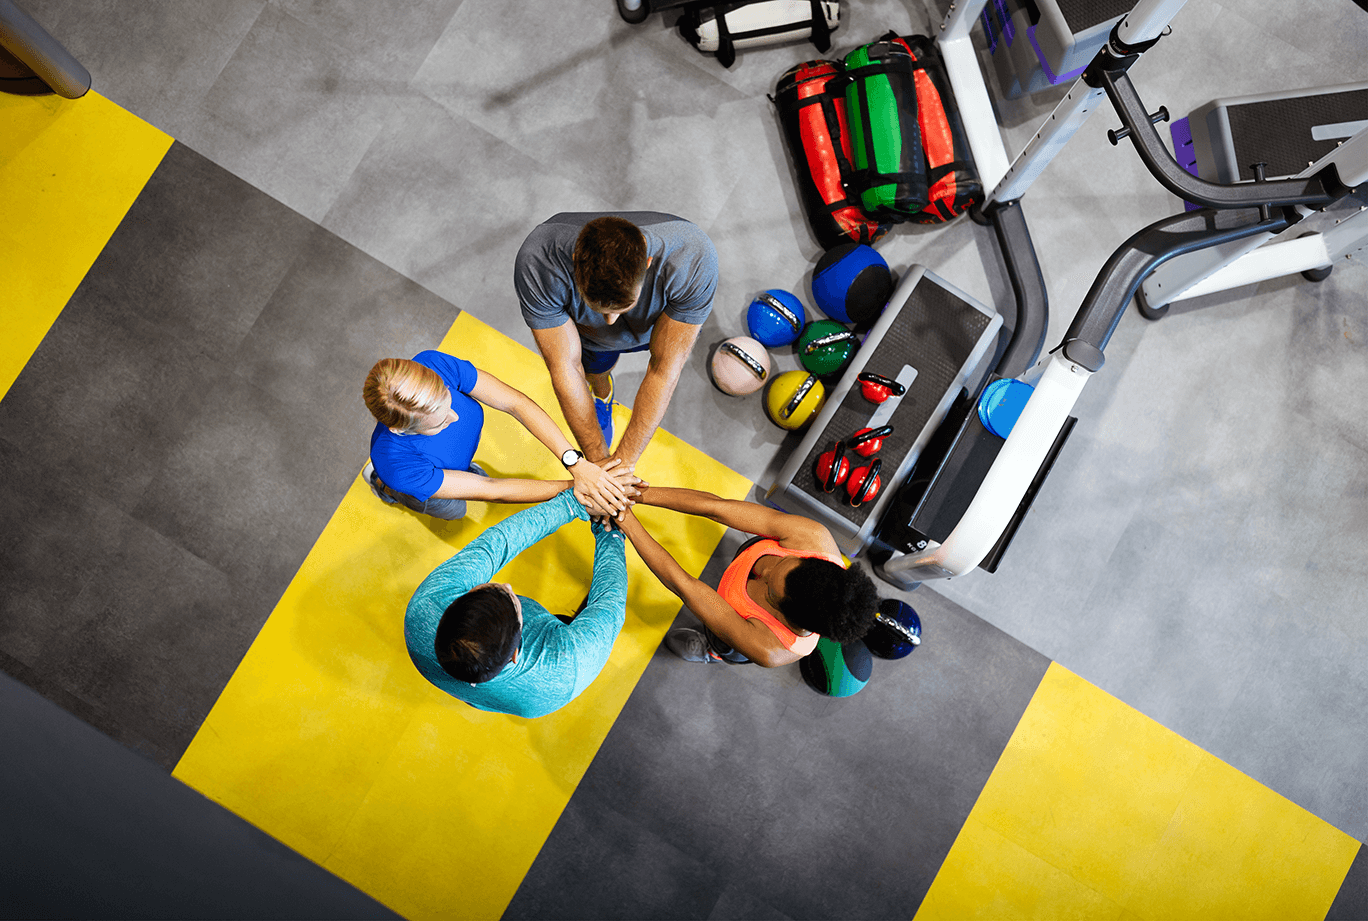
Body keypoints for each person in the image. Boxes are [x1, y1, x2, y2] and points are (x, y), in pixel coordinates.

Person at [515, 212, 717, 468]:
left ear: (647, 263)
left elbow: (663, 370)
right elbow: (565, 366)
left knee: (665, 358)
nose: (610, 321)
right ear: (576, 261)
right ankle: (602, 393)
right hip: (590, 338)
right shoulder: (539, 261)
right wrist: (599, 461)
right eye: (599, 307)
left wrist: (624, 466)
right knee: (595, 370)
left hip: (661, 323)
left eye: (622, 307)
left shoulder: (692, 257)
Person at [405, 489, 627, 718]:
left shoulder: (425, 607)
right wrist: (609, 533)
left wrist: (575, 502)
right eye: (514, 603)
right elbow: (609, 600)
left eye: (493, 589)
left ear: (453, 605)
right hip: (535, 685)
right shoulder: (570, 665)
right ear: (515, 653)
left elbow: (499, 543)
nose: (508, 586)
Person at [612, 486, 880, 668]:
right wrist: (631, 493)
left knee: (725, 644)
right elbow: (714, 507)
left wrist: (625, 519)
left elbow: (683, 584)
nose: (763, 569)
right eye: (783, 561)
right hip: (746, 563)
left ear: (784, 613)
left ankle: (713, 651)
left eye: (769, 589)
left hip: (737, 634)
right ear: (809, 558)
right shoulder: (814, 537)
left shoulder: (770, 647)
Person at [363, 350, 635, 520]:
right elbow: (491, 489)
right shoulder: (398, 465)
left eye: (447, 400)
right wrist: (577, 488)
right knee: (455, 512)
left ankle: (457, 471)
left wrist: (576, 464)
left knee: (469, 475)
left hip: (447, 461)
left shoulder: (433, 364)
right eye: (439, 422)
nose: (455, 416)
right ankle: (383, 486)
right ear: (400, 429)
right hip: (411, 478)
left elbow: (516, 403)